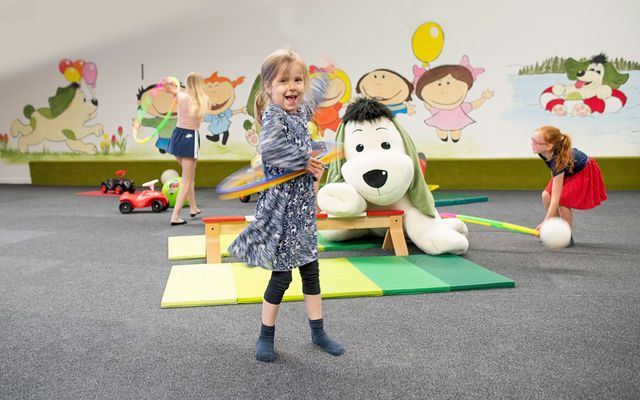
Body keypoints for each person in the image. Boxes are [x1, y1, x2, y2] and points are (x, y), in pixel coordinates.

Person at [228, 48, 345, 362]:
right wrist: (305, 162)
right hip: (280, 212)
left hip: (303, 210)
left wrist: (326, 75)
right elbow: (271, 150)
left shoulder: (298, 112)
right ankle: (265, 335)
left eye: (297, 80)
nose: (292, 87)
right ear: (268, 87)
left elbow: (314, 99)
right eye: (283, 81)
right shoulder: (273, 117)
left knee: (311, 272)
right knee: (281, 277)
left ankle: (318, 331)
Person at [531, 126, 607, 245]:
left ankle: (566, 236)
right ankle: (554, 231)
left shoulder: (558, 160)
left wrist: (545, 221)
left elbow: (556, 198)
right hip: (566, 170)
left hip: (582, 171)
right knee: (546, 195)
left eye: (536, 142)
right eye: (532, 140)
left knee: (562, 201)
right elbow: (554, 172)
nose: (532, 144)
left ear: (549, 146)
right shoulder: (543, 152)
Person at [163, 73, 211, 226]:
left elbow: (170, 90)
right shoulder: (204, 100)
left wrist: (169, 84)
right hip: (190, 137)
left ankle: (193, 207)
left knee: (188, 176)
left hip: (177, 135)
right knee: (187, 179)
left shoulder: (182, 97)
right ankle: (175, 216)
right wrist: (172, 87)